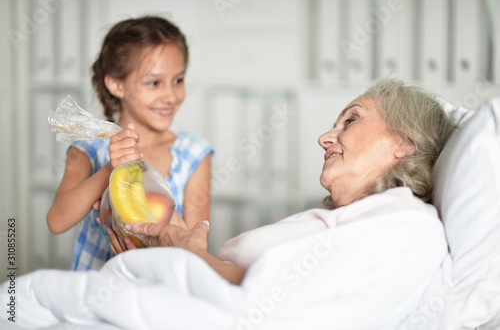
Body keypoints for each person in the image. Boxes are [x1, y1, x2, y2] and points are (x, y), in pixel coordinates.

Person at [107, 77, 457, 285]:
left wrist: (190, 260)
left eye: (350, 121)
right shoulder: (360, 221)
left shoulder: (403, 227)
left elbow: (274, 310)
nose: (324, 137)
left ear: (403, 142)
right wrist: (173, 250)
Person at [46, 16, 213, 271]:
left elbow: (196, 245)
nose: (171, 96)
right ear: (116, 84)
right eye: (154, 82)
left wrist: (154, 242)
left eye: (178, 80)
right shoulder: (89, 150)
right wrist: (111, 168)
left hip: (163, 291)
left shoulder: (194, 154)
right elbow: (56, 221)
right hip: (95, 291)